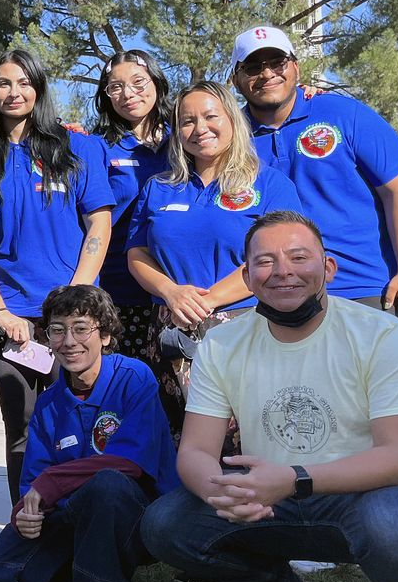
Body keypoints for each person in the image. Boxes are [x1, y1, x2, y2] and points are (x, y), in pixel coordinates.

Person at [141, 210, 398, 582]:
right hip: (268, 500)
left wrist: (296, 477)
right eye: (265, 261)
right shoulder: (221, 344)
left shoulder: (382, 335)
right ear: (246, 277)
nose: (282, 270)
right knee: (166, 525)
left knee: (397, 522)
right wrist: (221, 490)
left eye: (299, 257)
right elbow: (195, 451)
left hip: (365, 496)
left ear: (328, 269)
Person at [0, 48, 115, 505]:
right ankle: (26, 523)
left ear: (40, 89)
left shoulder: (78, 148)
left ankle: (80, 519)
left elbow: (98, 226)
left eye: (24, 82)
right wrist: (0, 312)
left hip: (74, 316)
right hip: (14, 323)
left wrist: (75, 299)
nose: (14, 92)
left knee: (82, 419)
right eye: (3, 83)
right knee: (22, 427)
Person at [0, 285, 179, 582]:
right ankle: (101, 572)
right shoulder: (50, 403)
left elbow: (130, 463)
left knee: (108, 484)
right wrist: (26, 513)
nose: (69, 341)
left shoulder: (134, 377)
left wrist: (52, 483)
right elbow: (34, 485)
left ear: (104, 334)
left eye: (81, 328)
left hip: (142, 517)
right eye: (58, 329)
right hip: (77, 519)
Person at [127, 81, 303, 440]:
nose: (199, 128)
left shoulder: (269, 185)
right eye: (187, 121)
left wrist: (209, 300)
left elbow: (278, 259)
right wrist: (171, 292)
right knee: (177, 435)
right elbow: (137, 252)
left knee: (248, 438)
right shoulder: (159, 187)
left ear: (233, 120)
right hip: (170, 327)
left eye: (211, 116)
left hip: (246, 328)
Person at [230, 25, 398, 333]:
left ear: (295, 66)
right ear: (236, 80)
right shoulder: (228, 136)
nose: (266, 74)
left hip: (366, 289)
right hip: (278, 298)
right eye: (252, 67)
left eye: (277, 62)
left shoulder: (344, 114)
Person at [91, 50, 173, 362]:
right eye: (115, 87)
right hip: (120, 288)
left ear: (157, 82)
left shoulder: (186, 142)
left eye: (138, 82)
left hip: (177, 287)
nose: (128, 94)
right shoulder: (98, 147)